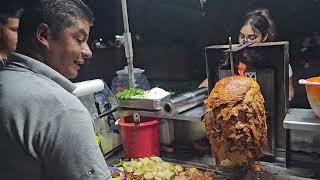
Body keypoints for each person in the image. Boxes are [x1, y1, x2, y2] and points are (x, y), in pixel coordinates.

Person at [0, 0, 112, 179]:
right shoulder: (62, 109)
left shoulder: (5, 82)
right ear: (43, 35)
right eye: (80, 39)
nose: (88, 52)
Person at [200, 8, 295, 101]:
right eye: (242, 36)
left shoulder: (277, 61)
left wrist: (283, 103)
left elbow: (289, 91)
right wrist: (199, 93)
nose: (245, 41)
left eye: (252, 37)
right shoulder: (231, 57)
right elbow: (210, 81)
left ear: (264, 36)